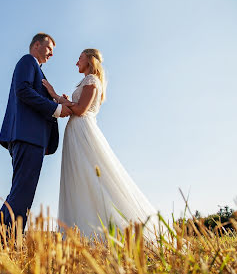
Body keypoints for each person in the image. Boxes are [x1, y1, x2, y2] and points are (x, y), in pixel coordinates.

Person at [42, 49, 158, 239]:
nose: (76, 62)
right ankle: (81, 233)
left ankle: (107, 233)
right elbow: (77, 106)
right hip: (75, 132)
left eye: (79, 58)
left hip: (82, 131)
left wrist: (57, 96)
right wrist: (66, 101)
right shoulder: (87, 81)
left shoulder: (92, 81)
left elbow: (80, 110)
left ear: (89, 59)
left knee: (92, 176)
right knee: (79, 179)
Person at [0, 33, 73, 231]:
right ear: (37, 45)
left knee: (21, 191)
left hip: (32, 138)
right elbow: (23, 91)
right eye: (49, 49)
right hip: (27, 136)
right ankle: (1, 241)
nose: (51, 54)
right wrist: (56, 109)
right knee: (22, 192)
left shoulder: (38, 71)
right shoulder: (27, 61)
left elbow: (35, 96)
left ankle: (0, 239)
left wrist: (55, 100)